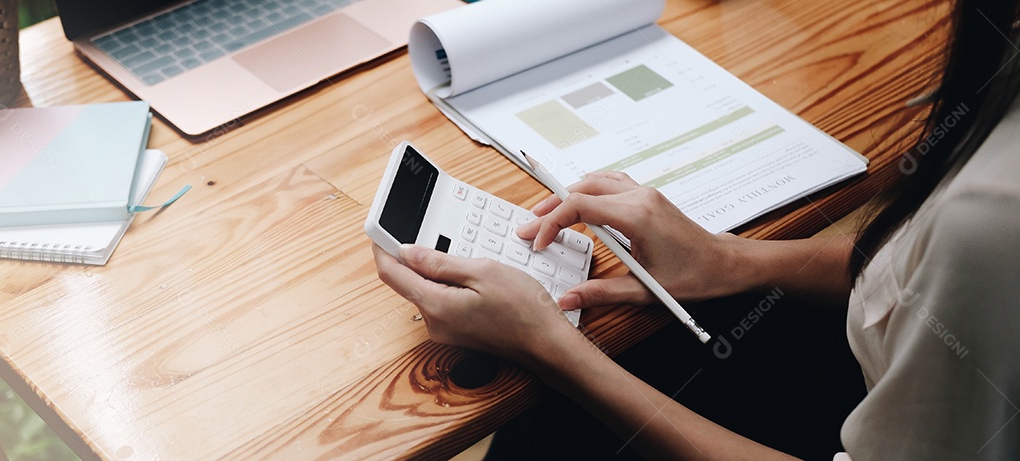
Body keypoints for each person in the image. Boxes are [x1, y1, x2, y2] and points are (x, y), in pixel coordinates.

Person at [373, 0, 1020, 458]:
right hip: (897, 371)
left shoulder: (991, 215)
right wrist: (731, 260)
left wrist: (551, 350)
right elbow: (918, 264)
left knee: (557, 413)